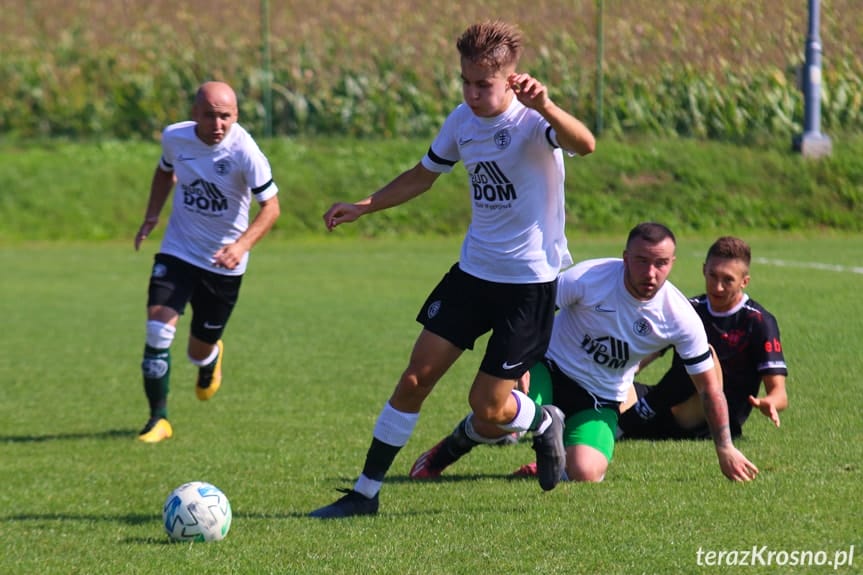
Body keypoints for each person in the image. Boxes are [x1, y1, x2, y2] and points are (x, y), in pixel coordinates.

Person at [308, 20, 596, 518]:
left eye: (483, 84)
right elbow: (423, 175)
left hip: (527, 285)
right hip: (472, 274)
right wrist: (363, 206)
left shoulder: (532, 121)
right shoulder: (462, 121)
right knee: (414, 379)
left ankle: (542, 421)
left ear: (511, 78)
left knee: (488, 406)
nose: (472, 93)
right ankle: (364, 493)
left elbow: (585, 143)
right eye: (465, 81)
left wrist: (547, 105)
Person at [410, 223, 760, 484]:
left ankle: (553, 461)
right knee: (496, 416)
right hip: (550, 368)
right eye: (641, 261)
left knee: (587, 472)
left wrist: (725, 447)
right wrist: (519, 362)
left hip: (599, 398)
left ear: (672, 263)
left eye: (661, 263)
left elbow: (709, 388)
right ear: (625, 257)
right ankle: (445, 453)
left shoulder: (680, 316)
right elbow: (534, 312)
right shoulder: (591, 277)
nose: (651, 273)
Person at [133, 81, 280, 443]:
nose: (217, 124)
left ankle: (210, 357)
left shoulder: (245, 151)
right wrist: (152, 215)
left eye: (225, 116)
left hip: (222, 264)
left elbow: (271, 208)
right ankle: (158, 419)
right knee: (157, 331)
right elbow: (165, 170)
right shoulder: (175, 137)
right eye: (209, 116)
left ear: (236, 115)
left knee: (197, 350)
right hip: (178, 250)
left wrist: (241, 246)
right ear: (194, 114)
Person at [617, 236, 788, 440]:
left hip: (707, 417)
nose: (718, 287)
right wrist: (616, 374)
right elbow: (646, 355)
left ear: (744, 281)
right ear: (704, 270)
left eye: (727, 280)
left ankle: (628, 422)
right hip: (670, 402)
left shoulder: (758, 321)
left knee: (703, 354)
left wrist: (770, 401)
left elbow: (780, 393)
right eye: (713, 275)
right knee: (611, 390)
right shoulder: (688, 308)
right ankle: (627, 421)